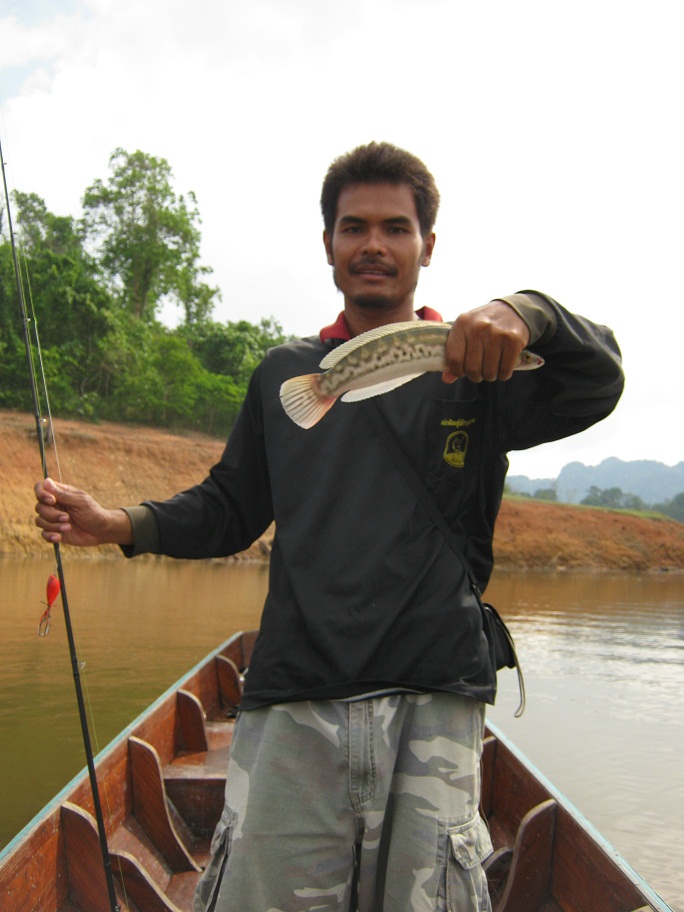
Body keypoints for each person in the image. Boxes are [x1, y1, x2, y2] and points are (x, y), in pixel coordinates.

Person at [34, 141, 624, 912]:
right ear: (328, 245)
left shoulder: (481, 370)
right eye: (353, 227)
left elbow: (599, 377)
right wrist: (116, 523)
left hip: (434, 692)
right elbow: (229, 508)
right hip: (293, 694)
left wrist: (526, 310)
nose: (373, 244)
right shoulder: (286, 374)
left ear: (427, 246)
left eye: (395, 227)